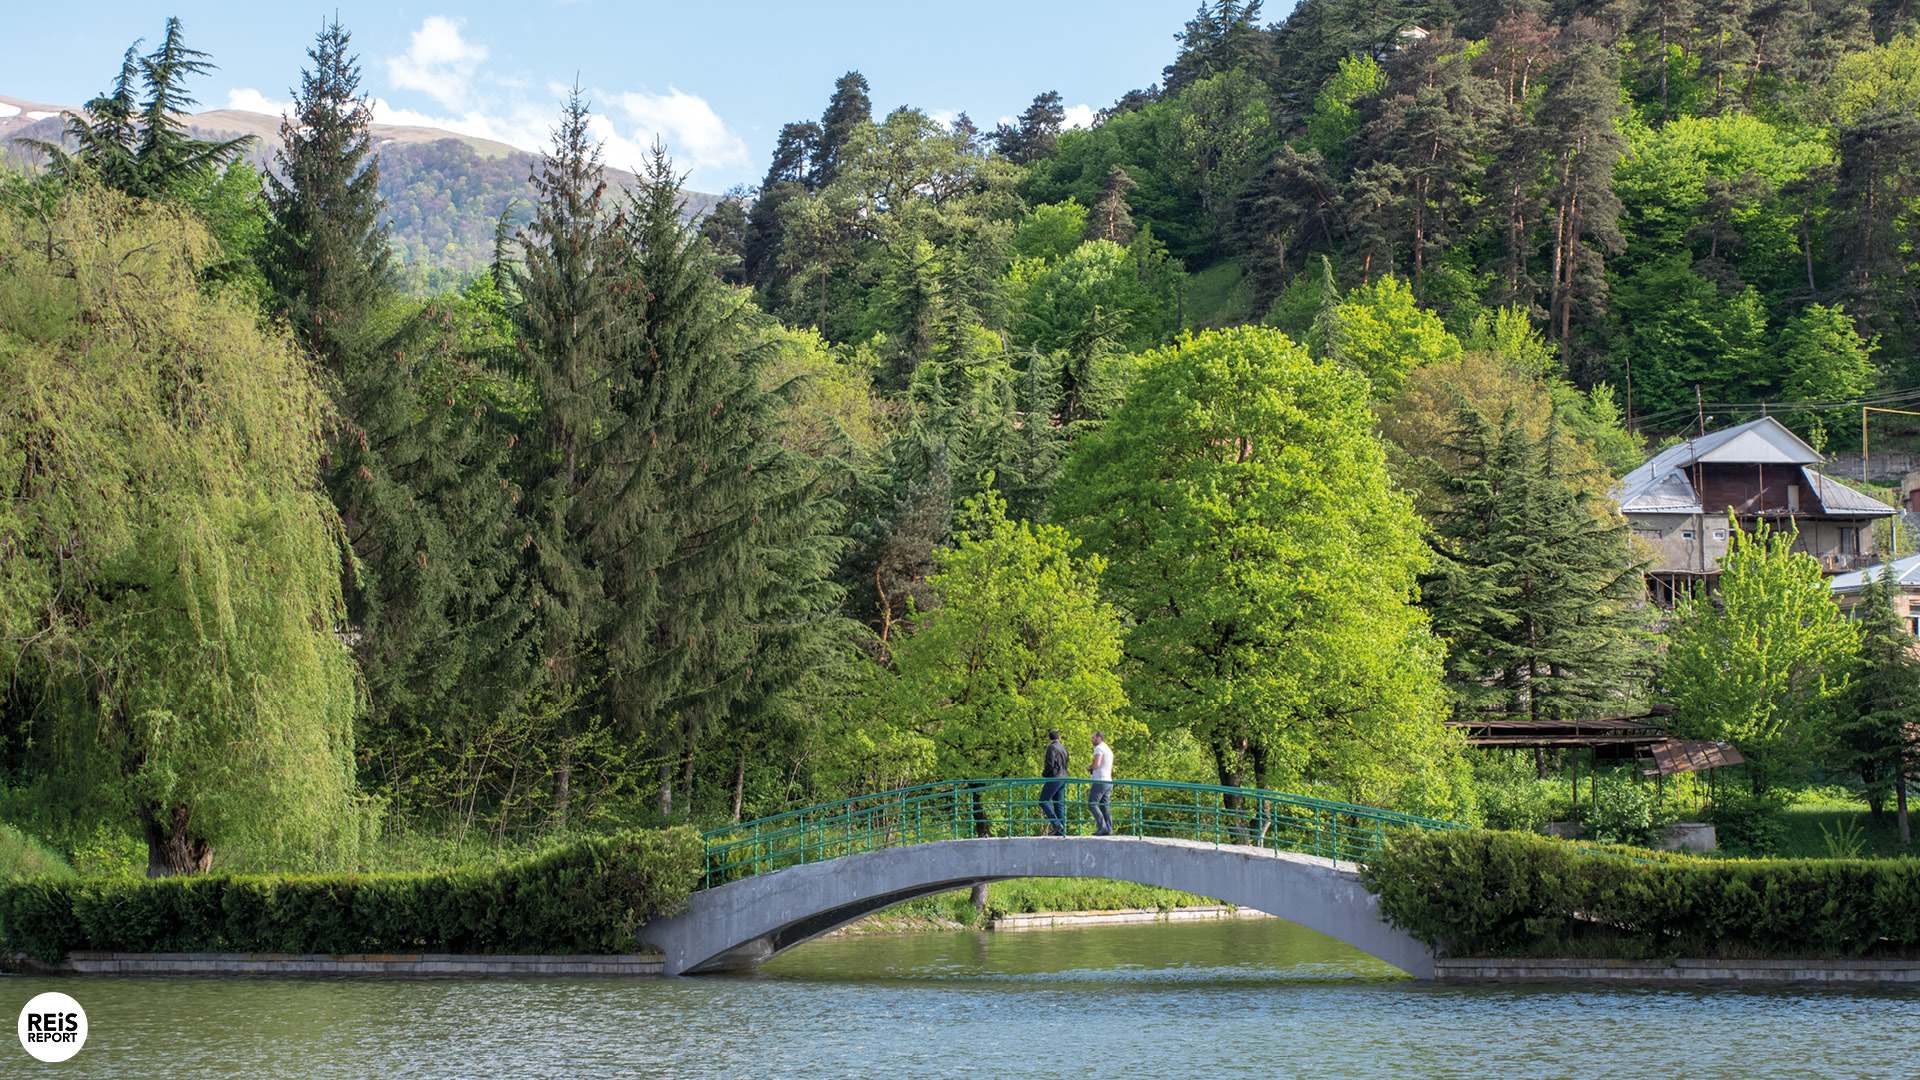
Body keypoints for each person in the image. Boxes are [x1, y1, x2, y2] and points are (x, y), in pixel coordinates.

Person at [1040, 730, 1069, 836]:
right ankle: (1060, 831)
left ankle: (1056, 823)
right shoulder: (1063, 748)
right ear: (1059, 738)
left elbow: (1050, 764)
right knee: (1058, 804)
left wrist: (1044, 773)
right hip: (1063, 778)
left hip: (1054, 777)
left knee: (1043, 801)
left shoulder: (1051, 748)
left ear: (1050, 739)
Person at [1087, 731, 1114, 836]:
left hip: (1100, 780)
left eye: (1093, 737)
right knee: (1104, 806)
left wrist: (1089, 767)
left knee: (1092, 804)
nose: (1091, 739)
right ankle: (1109, 828)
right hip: (1108, 781)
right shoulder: (1108, 749)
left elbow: (1097, 763)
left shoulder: (1098, 748)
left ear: (1098, 738)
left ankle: (1102, 826)